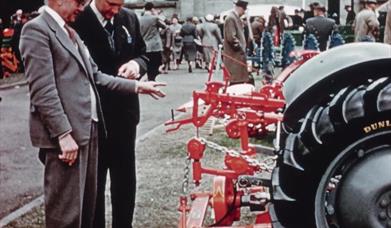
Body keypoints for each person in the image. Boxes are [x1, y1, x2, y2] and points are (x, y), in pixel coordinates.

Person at [19, 0, 165, 227]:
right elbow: (43, 90)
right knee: (66, 213)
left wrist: (137, 86)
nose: (81, 7)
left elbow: (95, 75)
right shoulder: (37, 29)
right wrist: (63, 133)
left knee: (85, 210)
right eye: (78, 2)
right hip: (70, 136)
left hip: (90, 130)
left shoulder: (68, 30)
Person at [71, 0, 150, 227]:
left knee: (125, 181)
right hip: (92, 117)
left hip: (125, 115)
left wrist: (137, 65)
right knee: (93, 184)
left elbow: (144, 54)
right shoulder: (78, 19)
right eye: (111, 4)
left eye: (120, 4)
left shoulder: (129, 18)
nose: (116, 10)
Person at [223, 0, 249, 84]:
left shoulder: (235, 18)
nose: (244, 12)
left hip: (237, 55)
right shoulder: (231, 18)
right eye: (244, 9)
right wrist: (241, 48)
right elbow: (231, 37)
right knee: (234, 81)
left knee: (238, 80)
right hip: (234, 55)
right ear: (239, 8)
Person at [139, 2, 166, 81]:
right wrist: (156, 14)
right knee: (156, 62)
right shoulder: (154, 18)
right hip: (155, 45)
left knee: (147, 62)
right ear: (152, 9)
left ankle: (148, 76)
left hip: (144, 44)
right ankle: (152, 78)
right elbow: (164, 25)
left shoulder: (140, 19)